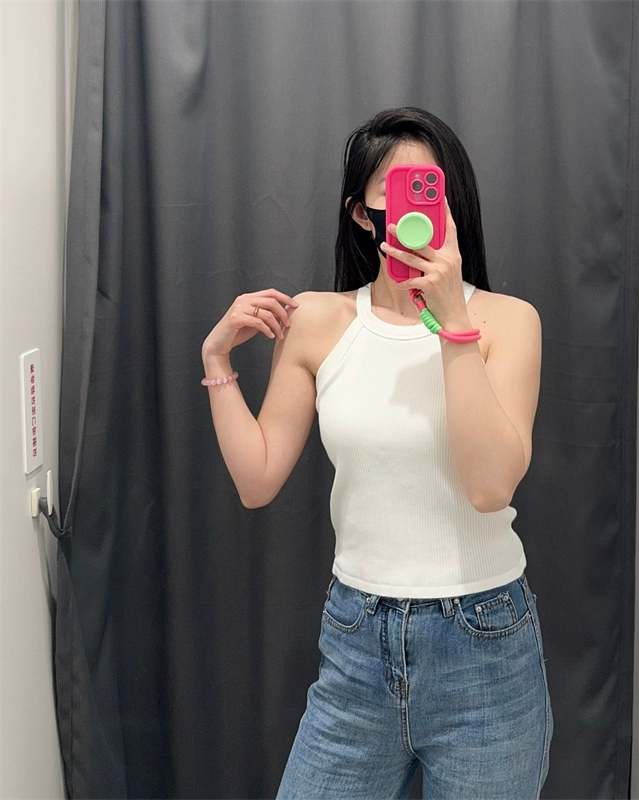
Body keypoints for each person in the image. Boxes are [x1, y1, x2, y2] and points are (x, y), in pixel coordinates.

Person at [201, 107, 553, 799]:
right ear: (363, 215)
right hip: (358, 643)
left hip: (485, 646)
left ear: (451, 200)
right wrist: (217, 362)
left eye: (430, 188)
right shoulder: (317, 321)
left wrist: (452, 321)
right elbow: (257, 479)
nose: (415, 208)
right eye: (394, 193)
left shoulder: (507, 322)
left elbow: (490, 487)